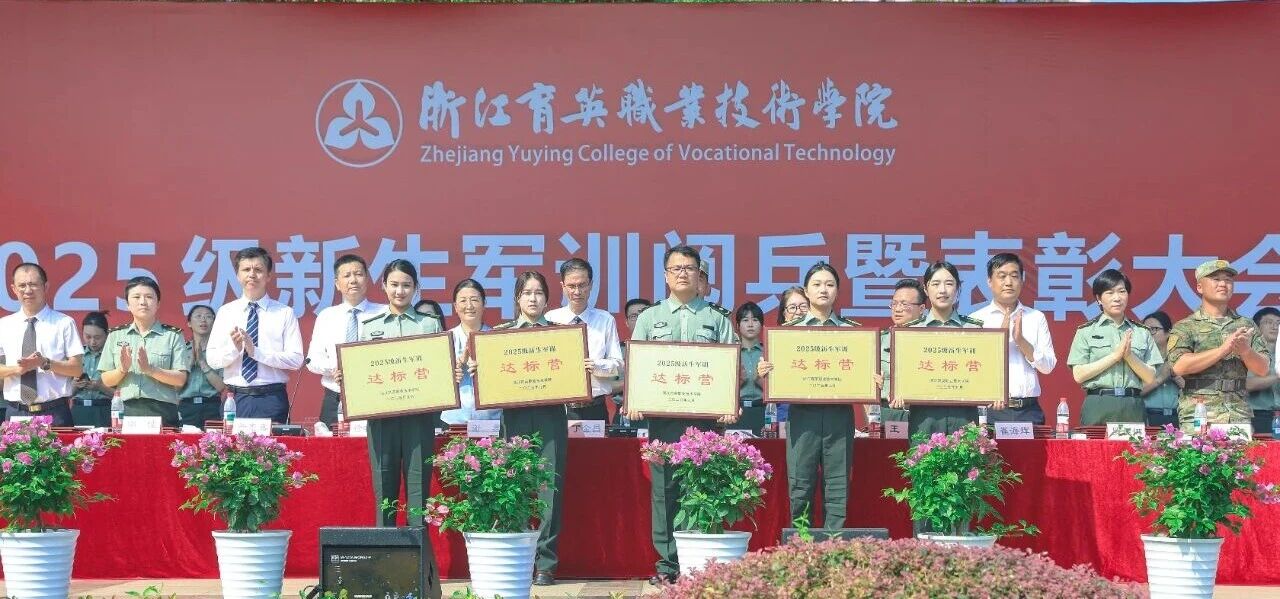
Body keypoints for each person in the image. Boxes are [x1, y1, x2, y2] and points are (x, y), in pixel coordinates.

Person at [626, 245, 736, 585]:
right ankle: (667, 564)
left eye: (689, 268)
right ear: (666, 275)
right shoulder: (649, 318)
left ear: (699, 274)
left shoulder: (717, 319)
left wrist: (729, 405)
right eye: (676, 268)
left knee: (701, 487)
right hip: (663, 421)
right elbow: (636, 367)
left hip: (705, 423)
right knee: (665, 491)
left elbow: (730, 369)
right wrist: (634, 399)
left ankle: (697, 564)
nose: (683, 273)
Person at [757, 262, 859, 532]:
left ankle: (834, 546)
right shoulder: (789, 333)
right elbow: (778, 374)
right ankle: (801, 547)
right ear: (806, 290)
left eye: (830, 284)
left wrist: (871, 379)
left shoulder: (853, 332)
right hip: (802, 415)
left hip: (839, 415)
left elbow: (861, 370)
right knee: (800, 484)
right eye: (817, 284)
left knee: (837, 486)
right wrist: (766, 371)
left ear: (837, 290)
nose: (823, 290)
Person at [343, 259, 444, 529]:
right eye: (394, 285)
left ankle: (418, 549)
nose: (400, 291)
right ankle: (384, 548)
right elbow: (360, 370)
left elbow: (438, 370)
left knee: (418, 488)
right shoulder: (369, 326)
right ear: (384, 286)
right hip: (381, 418)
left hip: (419, 417)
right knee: (384, 485)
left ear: (416, 288)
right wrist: (349, 378)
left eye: (406, 285)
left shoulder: (429, 325)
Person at [491, 271, 568, 586]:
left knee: (550, 489)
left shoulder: (561, 335)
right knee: (516, 485)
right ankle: (520, 557)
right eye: (527, 293)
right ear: (517, 298)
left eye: (538, 293)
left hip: (551, 416)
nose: (533, 298)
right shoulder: (500, 336)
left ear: (547, 299)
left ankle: (546, 563)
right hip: (516, 417)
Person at [1167, 260, 1271, 430]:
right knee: (1198, 449)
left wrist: (1245, 351)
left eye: (1228, 280)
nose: (1223, 284)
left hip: (1237, 412)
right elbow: (1179, 366)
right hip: (1199, 412)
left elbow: (1263, 369)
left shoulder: (1246, 325)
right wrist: (1224, 349)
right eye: (1216, 279)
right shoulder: (1186, 326)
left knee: (1240, 449)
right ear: (1199, 287)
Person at [206, 247, 304, 423]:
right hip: (235, 398)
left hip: (271, 398)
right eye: (246, 269)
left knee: (274, 442)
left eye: (258, 269)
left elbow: (296, 360)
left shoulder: (284, 313)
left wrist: (256, 352)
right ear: (237, 275)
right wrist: (235, 350)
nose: (252, 274)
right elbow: (212, 359)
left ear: (268, 276)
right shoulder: (226, 312)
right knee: (232, 442)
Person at [968, 253, 1056, 425]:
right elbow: (971, 367)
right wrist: (998, 340)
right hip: (990, 410)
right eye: (1002, 276)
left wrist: (1021, 342)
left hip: (1028, 410)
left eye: (1014, 276)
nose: (1008, 282)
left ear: (1022, 280)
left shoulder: (1036, 317)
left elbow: (1048, 367)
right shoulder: (976, 320)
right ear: (989, 281)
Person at [1066, 269, 1161, 426]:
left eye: (1122, 291)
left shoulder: (1142, 332)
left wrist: (1129, 357)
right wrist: (1115, 357)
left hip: (1132, 404)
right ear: (1099, 299)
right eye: (1110, 293)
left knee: (1134, 444)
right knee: (1095, 443)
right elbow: (1079, 375)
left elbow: (1150, 377)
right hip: (1099, 403)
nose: (1117, 298)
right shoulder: (1086, 331)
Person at [899, 261, 983, 437]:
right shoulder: (911, 331)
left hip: (965, 416)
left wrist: (994, 393)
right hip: (924, 418)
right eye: (936, 284)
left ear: (958, 288)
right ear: (925, 288)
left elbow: (984, 373)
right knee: (922, 455)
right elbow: (904, 375)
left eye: (949, 283)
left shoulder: (974, 329)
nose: (942, 290)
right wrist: (898, 391)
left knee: (966, 456)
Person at [98, 276, 190, 429]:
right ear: (127, 304)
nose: (143, 302)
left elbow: (180, 379)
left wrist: (151, 370)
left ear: (158, 303)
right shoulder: (116, 335)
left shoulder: (172, 335)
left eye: (149, 297)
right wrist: (122, 370)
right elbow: (106, 380)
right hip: (126, 410)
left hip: (163, 411)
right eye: (136, 297)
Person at [306, 254, 385, 427]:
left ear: (367, 279)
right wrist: (335, 368)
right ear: (337, 283)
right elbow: (312, 360)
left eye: (358, 274)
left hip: (376, 396)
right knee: (332, 444)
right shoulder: (327, 316)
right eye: (347, 275)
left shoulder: (384, 313)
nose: (353, 280)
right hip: (335, 397)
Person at [0, 263, 83, 426]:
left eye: (33, 284)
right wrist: (17, 369)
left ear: (45, 287)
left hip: (55, 412)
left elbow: (77, 368)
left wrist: (44, 363)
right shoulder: (4, 325)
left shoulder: (64, 323)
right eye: (22, 285)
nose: (28, 290)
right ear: (13, 289)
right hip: (16, 412)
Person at [547, 259, 624, 424]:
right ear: (563, 286)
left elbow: (618, 364)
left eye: (582, 285)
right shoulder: (550, 319)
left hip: (595, 407)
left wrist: (597, 366)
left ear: (590, 285)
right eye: (571, 286)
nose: (577, 291)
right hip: (559, 408)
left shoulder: (605, 319)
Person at [439, 279, 502, 426]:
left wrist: (487, 371)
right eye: (463, 301)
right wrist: (450, 375)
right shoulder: (445, 340)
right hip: (452, 421)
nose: (469, 306)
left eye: (474, 300)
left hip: (490, 420)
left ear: (484, 304)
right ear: (455, 307)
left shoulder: (496, 339)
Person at [875, 279, 927, 423]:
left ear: (921, 309)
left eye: (904, 304)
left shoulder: (931, 342)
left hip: (925, 414)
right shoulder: (879, 341)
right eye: (894, 303)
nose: (897, 309)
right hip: (887, 413)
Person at [178, 305, 226, 429]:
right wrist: (189, 364)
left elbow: (222, 387)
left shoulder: (220, 351)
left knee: (213, 441)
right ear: (189, 323)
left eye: (208, 316)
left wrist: (202, 363)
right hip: (186, 407)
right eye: (198, 316)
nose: (203, 320)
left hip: (213, 407)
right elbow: (175, 387)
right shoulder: (181, 350)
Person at [1140, 311, 1182, 428]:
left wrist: (1177, 377)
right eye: (1145, 330)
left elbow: (1195, 393)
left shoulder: (1180, 358)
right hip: (1148, 417)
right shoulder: (1139, 360)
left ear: (1168, 333)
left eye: (1153, 329)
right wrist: (1160, 379)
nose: (1148, 333)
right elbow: (1136, 391)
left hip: (1178, 417)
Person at [72, 311, 113, 427]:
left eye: (97, 337)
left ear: (107, 334)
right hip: (78, 410)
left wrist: (100, 387)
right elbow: (63, 395)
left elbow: (122, 395)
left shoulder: (113, 356)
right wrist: (75, 385)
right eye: (88, 337)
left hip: (104, 411)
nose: (92, 342)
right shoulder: (76, 356)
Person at [1246, 307, 1280, 433]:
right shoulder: (1248, 355)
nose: (1275, 327)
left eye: (1278, 323)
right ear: (1257, 328)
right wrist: (1277, 376)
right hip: (1258, 416)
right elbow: (1246, 384)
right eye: (1268, 322)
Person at [734, 301, 766, 433]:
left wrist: (763, 380)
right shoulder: (731, 353)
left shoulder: (768, 352)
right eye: (745, 320)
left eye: (755, 320)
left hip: (764, 410)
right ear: (737, 325)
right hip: (737, 411)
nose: (750, 324)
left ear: (762, 325)